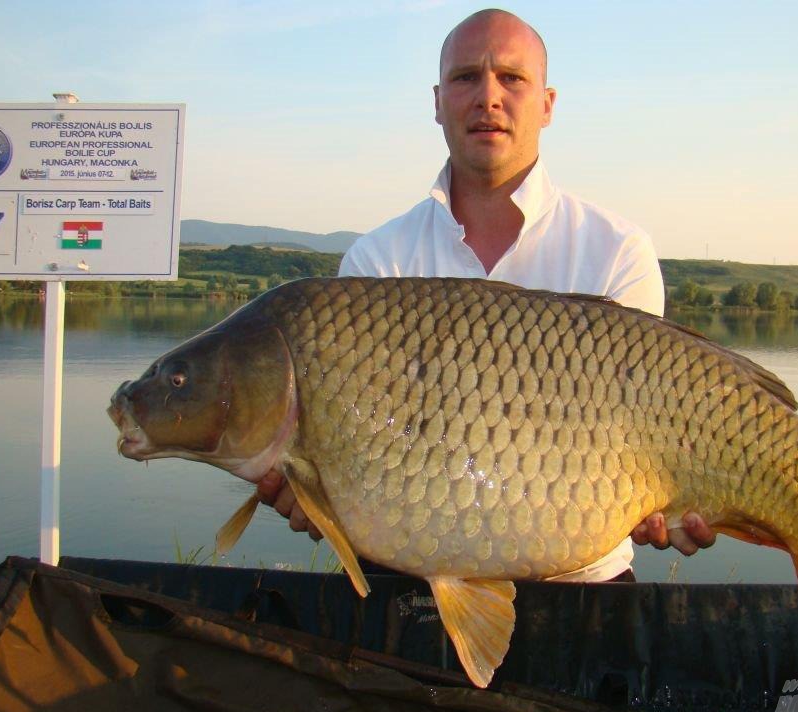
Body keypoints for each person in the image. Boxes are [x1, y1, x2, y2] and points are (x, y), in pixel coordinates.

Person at [257, 8, 715, 580]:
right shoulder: (377, 264)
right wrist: (318, 498)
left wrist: (663, 502)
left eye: (512, 79)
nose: (488, 97)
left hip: (583, 585)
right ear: (437, 100)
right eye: (466, 77)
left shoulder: (618, 250)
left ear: (547, 104)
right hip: (408, 579)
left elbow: (650, 436)